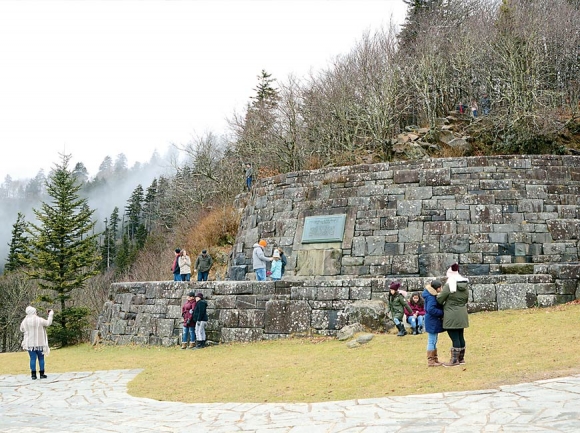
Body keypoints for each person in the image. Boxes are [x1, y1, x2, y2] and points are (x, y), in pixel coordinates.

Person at [437, 263, 469, 367]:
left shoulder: (449, 285)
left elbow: (440, 299)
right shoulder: (465, 286)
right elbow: (466, 299)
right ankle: (461, 358)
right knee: (460, 336)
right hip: (462, 313)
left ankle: (454, 360)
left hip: (451, 314)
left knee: (454, 337)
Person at [20, 306, 54, 380]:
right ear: (33, 312)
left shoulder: (25, 321)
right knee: (41, 358)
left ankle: (33, 375)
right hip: (40, 343)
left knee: (32, 359)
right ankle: (42, 374)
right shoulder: (39, 320)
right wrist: (50, 314)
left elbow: (21, 329)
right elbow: (48, 323)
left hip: (29, 344)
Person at [423, 280, 445, 367]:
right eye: (440, 287)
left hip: (433, 320)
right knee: (432, 340)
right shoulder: (431, 297)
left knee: (434, 340)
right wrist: (442, 312)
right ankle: (431, 360)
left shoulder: (430, 295)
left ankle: (435, 359)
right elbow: (431, 309)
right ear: (437, 288)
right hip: (432, 320)